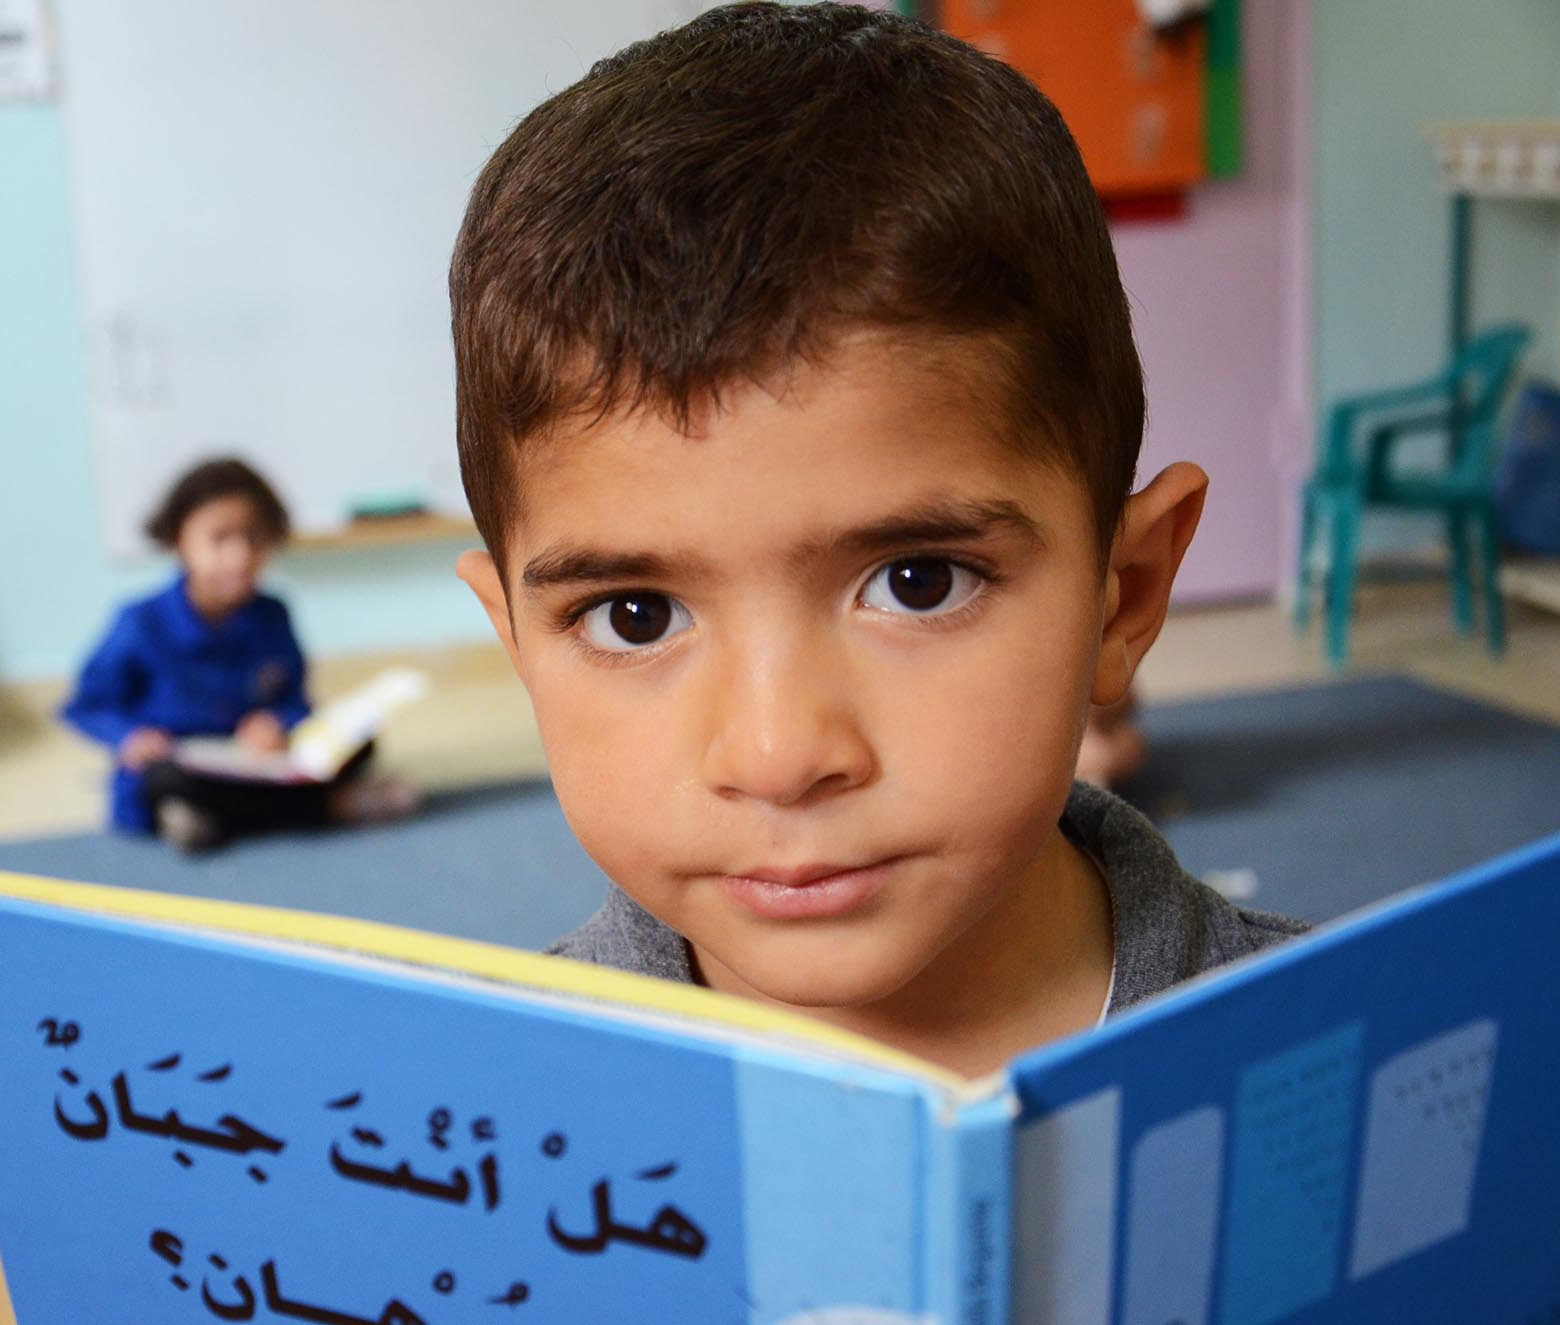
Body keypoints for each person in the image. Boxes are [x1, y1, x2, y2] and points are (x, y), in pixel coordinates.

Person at [448, 3, 1304, 1078]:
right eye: (635, 614)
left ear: (1122, 595)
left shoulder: (1382, 1069)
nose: (778, 756)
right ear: (518, 642)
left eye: (916, 583)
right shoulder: (479, 1123)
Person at [63, 458, 416, 851]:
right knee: (160, 779)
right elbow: (85, 705)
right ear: (179, 541)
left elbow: (295, 700)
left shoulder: (272, 615)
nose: (240, 555)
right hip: (182, 765)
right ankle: (327, 810)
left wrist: (276, 723)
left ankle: (214, 819)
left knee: (359, 741)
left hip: (254, 764)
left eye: (255, 538)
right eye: (219, 538)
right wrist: (129, 737)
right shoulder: (139, 622)